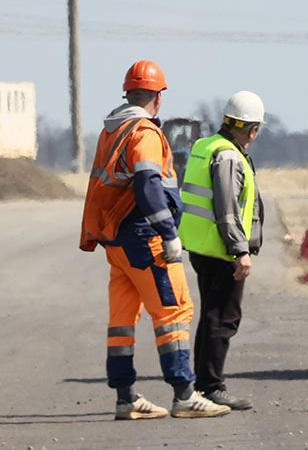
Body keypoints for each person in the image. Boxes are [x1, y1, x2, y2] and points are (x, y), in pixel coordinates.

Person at [79, 60, 231, 420]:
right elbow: (148, 184)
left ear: (128, 93)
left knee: (122, 320)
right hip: (144, 239)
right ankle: (184, 395)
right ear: (158, 97)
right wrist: (168, 232)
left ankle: (126, 398)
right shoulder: (144, 133)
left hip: (115, 241)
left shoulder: (111, 130)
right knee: (174, 311)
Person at [178, 91, 266, 411]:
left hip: (203, 247)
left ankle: (201, 383)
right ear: (252, 129)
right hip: (221, 251)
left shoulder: (206, 146)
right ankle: (211, 386)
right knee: (224, 318)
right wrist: (239, 251)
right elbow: (226, 209)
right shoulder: (229, 156)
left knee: (212, 315)